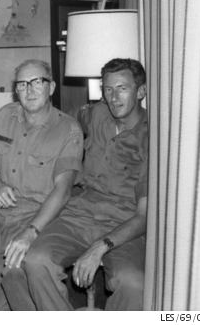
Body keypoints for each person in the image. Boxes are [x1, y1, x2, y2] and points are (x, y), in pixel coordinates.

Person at [25, 58, 149, 310]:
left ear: (141, 91)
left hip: (123, 222)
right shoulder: (96, 114)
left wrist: (99, 248)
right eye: (108, 89)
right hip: (79, 214)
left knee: (134, 283)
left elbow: (146, 216)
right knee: (35, 260)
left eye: (122, 89)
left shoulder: (152, 137)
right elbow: (61, 120)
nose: (114, 98)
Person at [0, 60, 84, 310]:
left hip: (40, 217)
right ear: (16, 89)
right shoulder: (3, 115)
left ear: (51, 86)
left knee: (14, 269)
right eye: (22, 84)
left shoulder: (68, 130)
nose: (29, 90)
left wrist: (30, 233)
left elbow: (63, 192)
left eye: (37, 82)